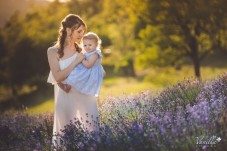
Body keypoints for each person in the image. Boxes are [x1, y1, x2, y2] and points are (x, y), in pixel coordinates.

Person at [47, 14, 99, 147]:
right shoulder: (53, 51)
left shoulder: (83, 50)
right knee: (65, 139)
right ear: (68, 30)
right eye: (79, 31)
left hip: (85, 98)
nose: (82, 35)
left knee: (91, 135)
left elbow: (91, 71)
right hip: (65, 98)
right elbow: (57, 76)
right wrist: (75, 62)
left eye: (83, 32)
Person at [61, 32, 104, 97]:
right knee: (74, 73)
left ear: (96, 45)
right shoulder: (88, 52)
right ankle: (67, 85)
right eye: (85, 45)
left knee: (80, 77)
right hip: (86, 69)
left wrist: (82, 59)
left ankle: (70, 86)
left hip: (90, 71)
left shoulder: (95, 54)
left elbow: (89, 65)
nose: (87, 47)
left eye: (90, 45)